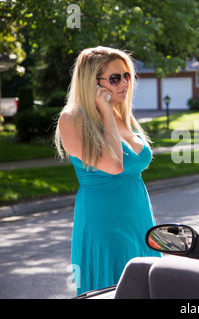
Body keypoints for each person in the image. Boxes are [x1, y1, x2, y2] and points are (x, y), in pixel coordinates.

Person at [54, 46, 161, 295]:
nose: (124, 83)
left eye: (127, 76)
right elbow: (114, 165)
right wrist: (104, 111)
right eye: (115, 78)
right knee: (112, 288)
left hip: (139, 220)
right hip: (104, 223)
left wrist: (109, 112)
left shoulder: (121, 115)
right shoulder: (72, 119)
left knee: (145, 289)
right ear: (92, 82)